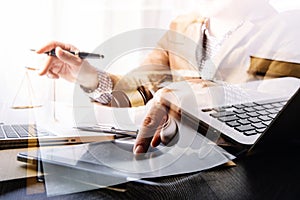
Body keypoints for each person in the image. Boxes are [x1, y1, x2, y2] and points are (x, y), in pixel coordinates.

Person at [36, 0, 300, 154]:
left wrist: (202, 96)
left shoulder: (287, 27)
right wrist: (88, 76)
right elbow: (139, 89)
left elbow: (283, 109)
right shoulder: (182, 26)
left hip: (242, 166)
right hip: (170, 157)